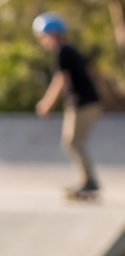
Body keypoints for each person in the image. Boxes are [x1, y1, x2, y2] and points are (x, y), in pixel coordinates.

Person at [33, 13, 101, 201]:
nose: (42, 41)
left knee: (73, 142)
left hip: (83, 103)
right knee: (73, 143)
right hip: (85, 102)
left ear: (52, 34)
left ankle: (90, 181)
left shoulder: (62, 52)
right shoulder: (69, 50)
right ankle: (87, 179)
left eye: (42, 37)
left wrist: (47, 103)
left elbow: (61, 80)